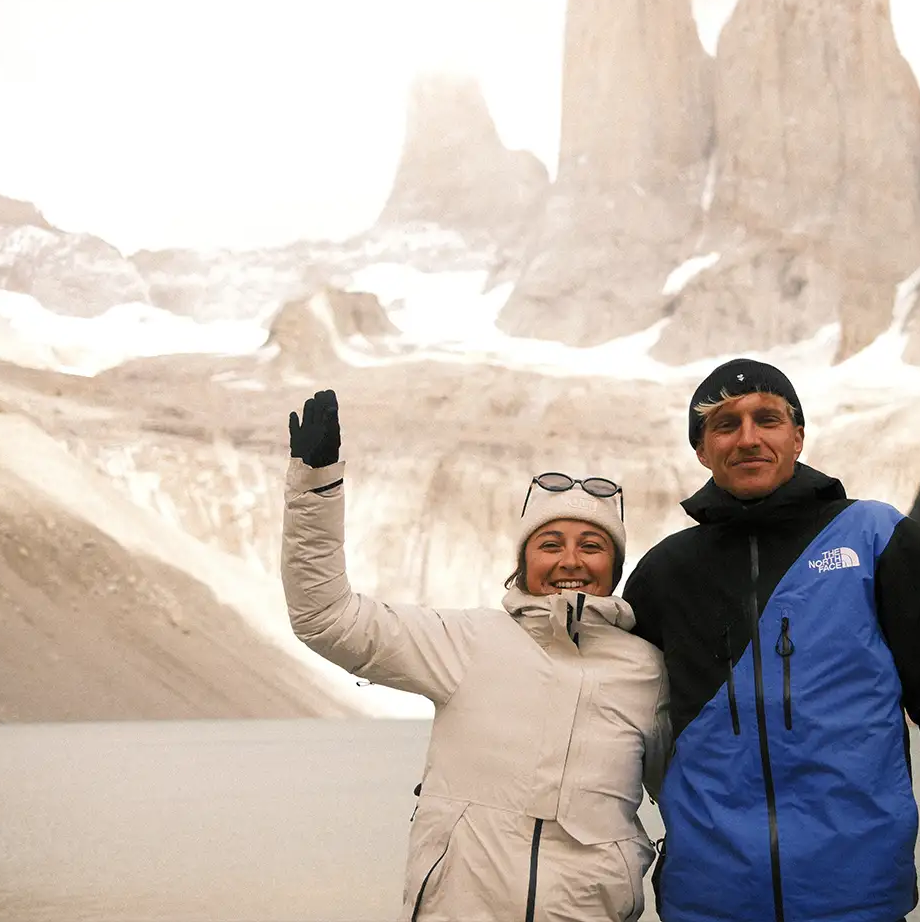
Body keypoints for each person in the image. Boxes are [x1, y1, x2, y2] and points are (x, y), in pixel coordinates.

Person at [622, 359, 920, 922]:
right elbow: (600, 721)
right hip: (707, 903)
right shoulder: (664, 574)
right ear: (701, 449)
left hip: (858, 901)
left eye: (767, 419)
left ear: (798, 436)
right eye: (725, 424)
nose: (748, 438)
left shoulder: (876, 538)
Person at [280, 389, 669, 922]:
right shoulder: (466, 641)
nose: (570, 561)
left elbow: (688, 796)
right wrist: (316, 487)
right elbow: (327, 618)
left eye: (592, 545)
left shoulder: (647, 671)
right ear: (523, 561)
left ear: (616, 566)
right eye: (550, 544)